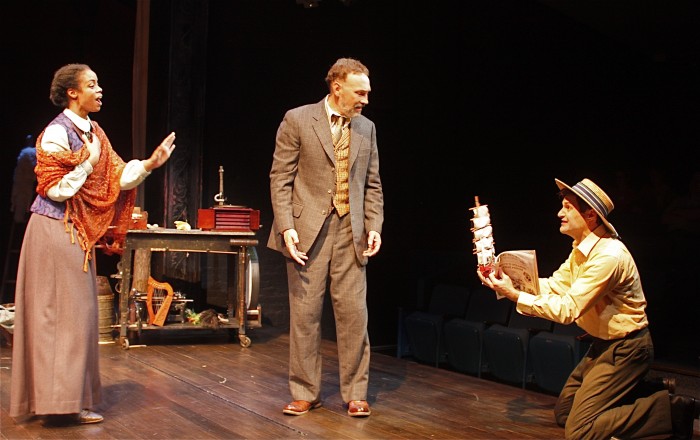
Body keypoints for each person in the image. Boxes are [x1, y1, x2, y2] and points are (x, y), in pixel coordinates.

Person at [9, 63, 176, 425]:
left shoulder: (94, 131)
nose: (100, 90)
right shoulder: (57, 132)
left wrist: (149, 164)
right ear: (73, 92)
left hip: (76, 232)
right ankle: (57, 403)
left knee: (78, 316)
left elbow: (116, 175)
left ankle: (67, 400)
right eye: (92, 84)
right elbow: (54, 188)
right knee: (58, 316)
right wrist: (86, 163)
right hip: (54, 228)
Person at [477, 177, 699, 440]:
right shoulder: (581, 250)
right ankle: (646, 389)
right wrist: (511, 283)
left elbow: (568, 309)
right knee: (565, 413)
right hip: (603, 345)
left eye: (568, 207)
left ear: (590, 215)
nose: (560, 213)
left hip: (626, 349)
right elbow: (556, 285)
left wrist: (515, 296)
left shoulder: (608, 256)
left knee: (581, 431)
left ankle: (670, 411)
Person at [268, 57, 384, 417]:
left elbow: (373, 184)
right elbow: (280, 178)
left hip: (351, 232)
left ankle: (356, 392)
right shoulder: (298, 119)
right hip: (307, 231)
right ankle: (305, 391)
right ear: (337, 87)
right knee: (305, 315)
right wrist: (286, 226)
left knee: (354, 316)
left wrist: (375, 225)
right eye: (359, 92)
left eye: (367, 93)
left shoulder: (366, 128)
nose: (365, 99)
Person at [10, 134, 38, 224]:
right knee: (20, 198)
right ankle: (18, 218)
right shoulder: (26, 152)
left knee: (24, 198)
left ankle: (19, 218)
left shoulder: (31, 152)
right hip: (22, 180)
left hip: (25, 180)